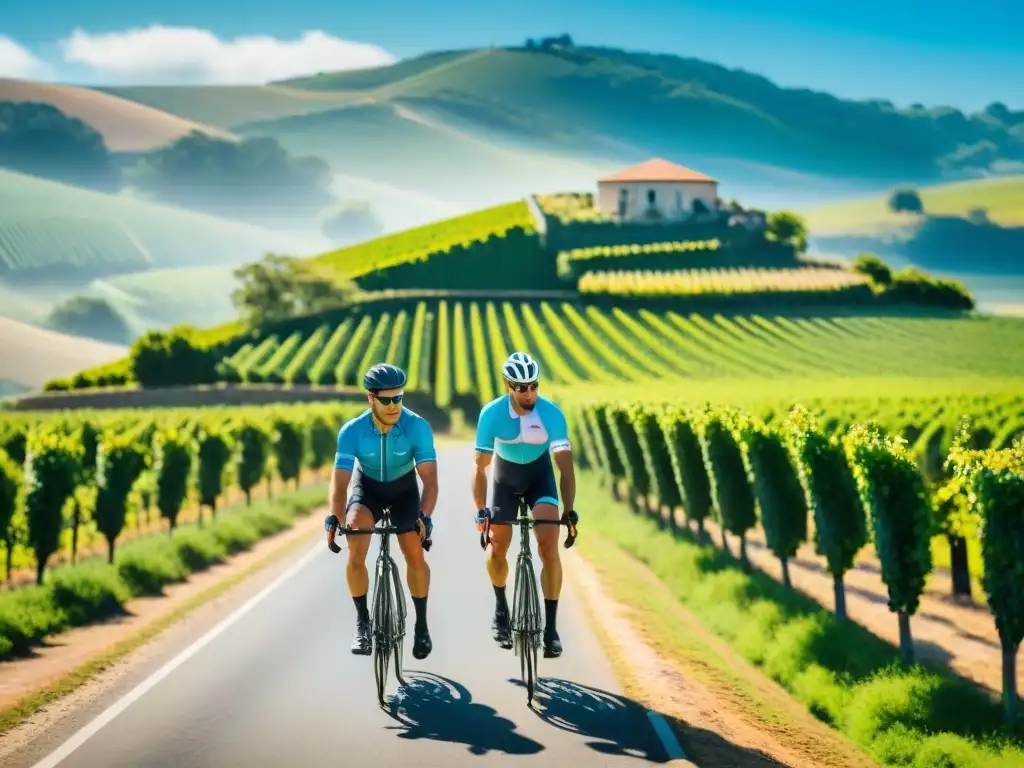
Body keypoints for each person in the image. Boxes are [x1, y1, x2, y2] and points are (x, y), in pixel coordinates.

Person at [324, 362, 438, 660]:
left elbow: (430, 481)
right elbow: (339, 485)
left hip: (404, 491)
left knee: (414, 549)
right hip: (368, 489)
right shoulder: (353, 431)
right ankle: (363, 622)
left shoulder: (417, 427)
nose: (393, 405)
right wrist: (335, 519)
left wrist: (424, 517)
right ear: (371, 399)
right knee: (355, 539)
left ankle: (422, 625)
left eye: (398, 398)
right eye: (386, 399)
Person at [472, 351, 578, 658]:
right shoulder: (491, 414)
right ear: (508, 385)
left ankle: (552, 628)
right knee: (496, 548)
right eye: (521, 387)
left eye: (533, 385)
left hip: (538, 478)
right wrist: (481, 510)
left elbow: (565, 469)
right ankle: (501, 609)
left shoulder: (552, 414)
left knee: (548, 545)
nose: (529, 392)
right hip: (504, 480)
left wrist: (569, 510)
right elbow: (479, 469)